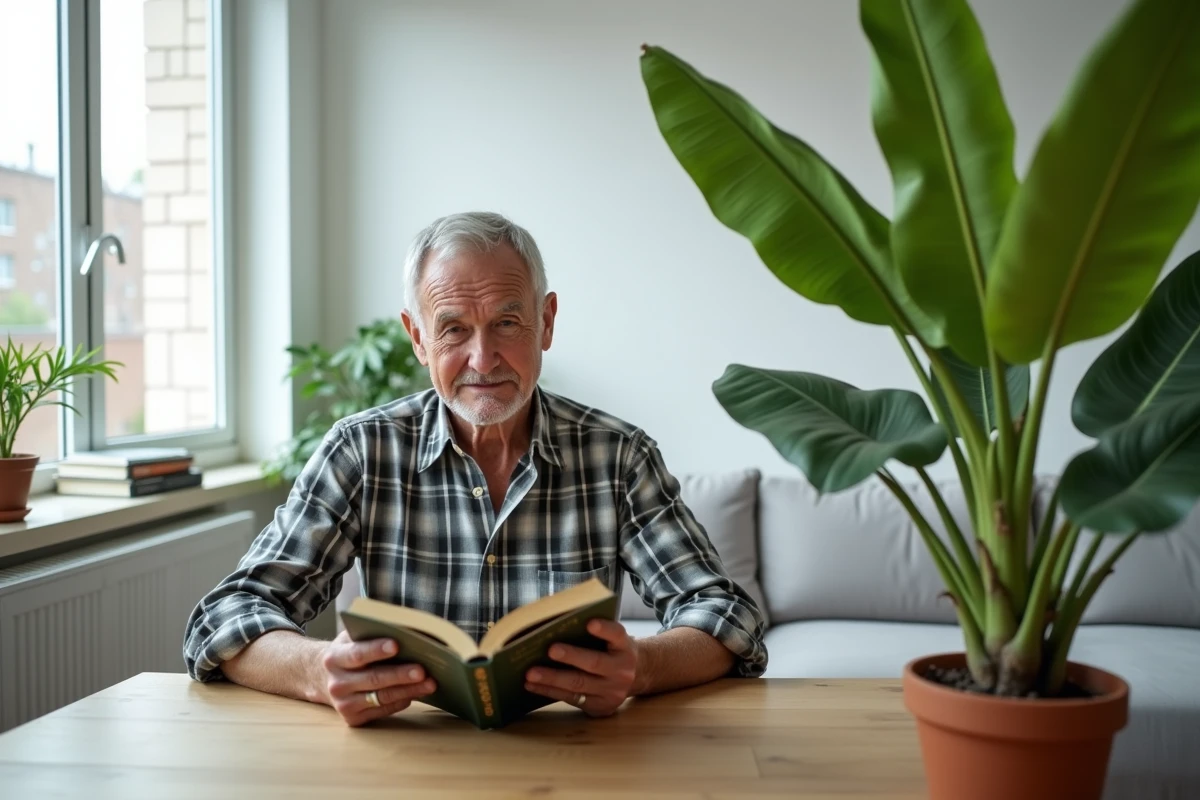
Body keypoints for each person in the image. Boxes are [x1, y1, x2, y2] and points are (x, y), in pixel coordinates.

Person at [183, 211, 767, 727]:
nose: (482, 360)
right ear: (418, 338)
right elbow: (225, 615)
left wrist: (641, 666)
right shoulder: (363, 451)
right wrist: (316, 669)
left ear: (547, 322)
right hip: (402, 762)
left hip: (575, 759)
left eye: (507, 324)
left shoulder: (617, 455)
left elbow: (725, 613)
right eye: (454, 328)